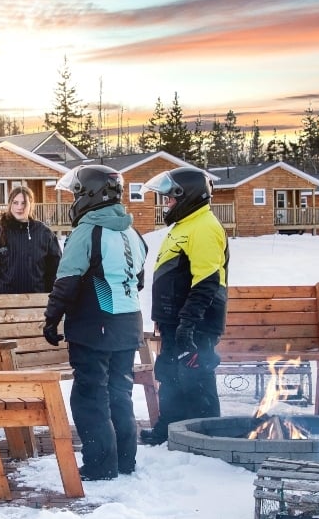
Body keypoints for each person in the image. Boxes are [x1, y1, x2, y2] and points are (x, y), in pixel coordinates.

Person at [42, 164, 147, 481]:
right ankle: (125, 460)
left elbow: (68, 280)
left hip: (95, 326)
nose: (73, 199)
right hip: (128, 325)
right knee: (119, 394)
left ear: (88, 194)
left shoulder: (87, 230)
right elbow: (137, 280)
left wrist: (52, 319)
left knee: (90, 397)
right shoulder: (132, 232)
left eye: (75, 192)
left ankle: (101, 465)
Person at [138, 167, 229, 446]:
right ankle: (170, 428)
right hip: (175, 322)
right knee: (171, 375)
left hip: (195, 323)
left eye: (171, 197)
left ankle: (207, 436)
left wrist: (188, 324)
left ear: (187, 195)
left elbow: (206, 281)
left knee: (196, 378)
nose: (167, 203)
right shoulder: (186, 225)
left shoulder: (204, 227)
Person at [0, 185, 62, 295]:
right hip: (4, 304)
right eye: (15, 203)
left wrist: (51, 299)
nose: (19, 207)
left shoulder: (45, 234)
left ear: (31, 204)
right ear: (10, 204)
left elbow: (56, 270)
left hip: (37, 304)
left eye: (24, 203)